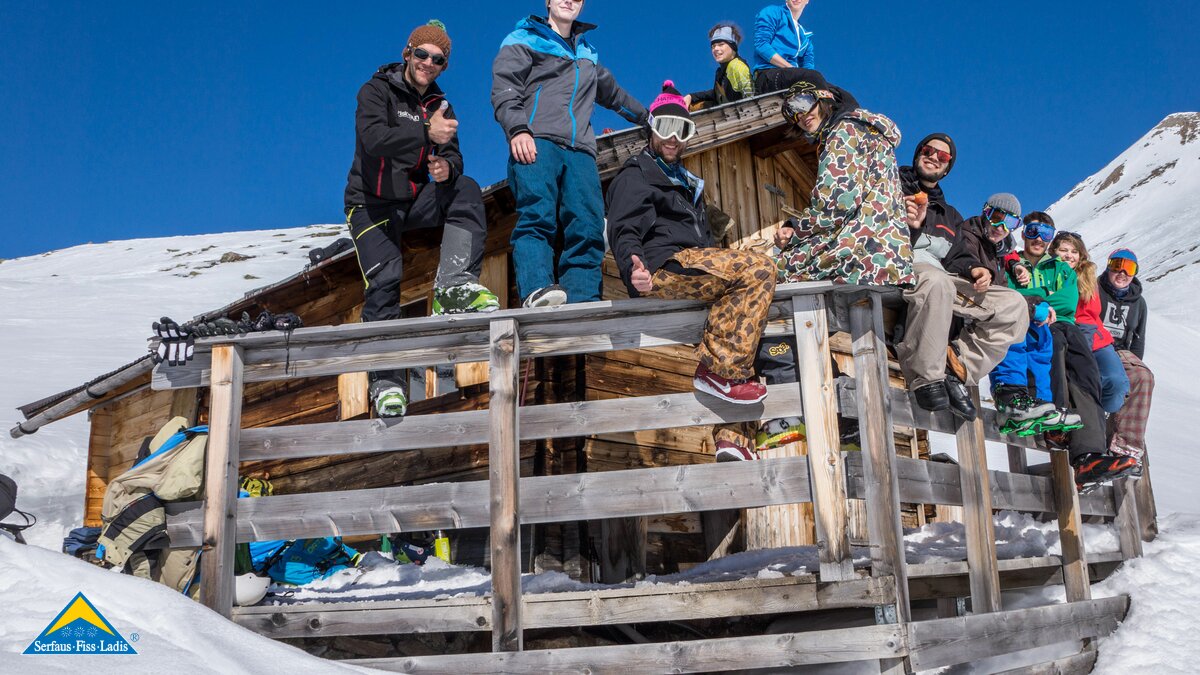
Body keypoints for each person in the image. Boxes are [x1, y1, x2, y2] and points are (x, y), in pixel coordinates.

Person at [607, 82, 777, 462]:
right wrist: (632, 264)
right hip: (665, 265)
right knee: (760, 269)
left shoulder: (686, 182)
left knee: (746, 324)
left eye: (681, 129)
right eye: (665, 127)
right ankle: (717, 374)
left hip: (694, 266)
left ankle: (733, 438)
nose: (673, 137)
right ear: (651, 129)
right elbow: (624, 227)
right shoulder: (637, 174)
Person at [344, 19, 501, 418]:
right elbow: (374, 141)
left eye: (439, 59)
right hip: (371, 204)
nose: (429, 63)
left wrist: (447, 168)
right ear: (408, 53)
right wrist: (426, 134)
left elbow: (453, 153)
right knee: (386, 280)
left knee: (466, 188)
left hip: (414, 200)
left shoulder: (440, 105)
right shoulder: (376, 90)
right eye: (423, 54)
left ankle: (454, 285)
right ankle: (386, 382)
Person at [752, 77, 912, 451]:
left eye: (802, 103)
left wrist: (795, 229)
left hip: (857, 251)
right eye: (790, 113)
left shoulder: (842, 131)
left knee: (767, 285)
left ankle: (787, 406)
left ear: (824, 98)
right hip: (884, 253)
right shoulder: (871, 133)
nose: (799, 116)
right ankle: (847, 417)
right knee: (808, 321)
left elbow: (835, 203)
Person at [492, 1, 647, 307]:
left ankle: (583, 299)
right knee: (537, 216)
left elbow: (614, 95)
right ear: (548, 1)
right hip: (538, 140)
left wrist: (650, 118)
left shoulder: (587, 52)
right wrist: (518, 129)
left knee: (588, 226)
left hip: (581, 151)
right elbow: (505, 87)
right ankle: (536, 289)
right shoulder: (524, 38)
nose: (568, 1)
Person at [895, 139, 1030, 422]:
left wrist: (975, 269)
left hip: (943, 278)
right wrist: (911, 228)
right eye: (928, 151)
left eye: (943, 157)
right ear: (918, 154)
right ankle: (926, 378)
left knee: (1014, 305)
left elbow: (957, 255)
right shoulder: (892, 188)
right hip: (902, 268)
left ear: (947, 168)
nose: (934, 157)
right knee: (936, 281)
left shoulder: (950, 215)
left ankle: (956, 365)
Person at [1051, 233, 1130, 414]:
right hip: (1058, 334)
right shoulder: (1046, 273)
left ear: (1081, 255)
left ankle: (1100, 413)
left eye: (1074, 251)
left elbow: (1088, 315)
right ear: (1053, 251)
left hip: (1092, 337)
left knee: (1116, 382)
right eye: (1063, 250)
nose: (1069, 255)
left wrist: (1082, 346)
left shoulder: (1087, 278)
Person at [1099, 248, 1152, 473]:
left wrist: (1134, 364)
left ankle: (1126, 447)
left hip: (1120, 350)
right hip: (1096, 345)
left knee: (1143, 376)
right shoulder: (1095, 289)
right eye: (1117, 265)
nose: (1122, 273)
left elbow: (1138, 339)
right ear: (1108, 266)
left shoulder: (1139, 303)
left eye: (1129, 268)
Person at [752, 0, 818, 94]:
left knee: (837, 92)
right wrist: (791, 69)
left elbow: (808, 66)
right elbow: (761, 45)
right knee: (815, 78)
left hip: (793, 76)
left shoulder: (805, 37)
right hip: (768, 74)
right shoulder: (772, 12)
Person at [685, 23, 754, 109]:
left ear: (732, 46)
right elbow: (715, 94)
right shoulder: (721, 72)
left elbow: (750, 96)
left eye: (721, 44)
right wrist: (691, 96)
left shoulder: (737, 66)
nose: (716, 49)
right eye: (713, 46)